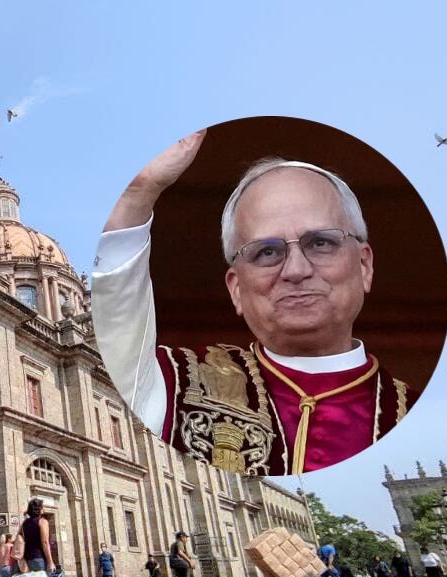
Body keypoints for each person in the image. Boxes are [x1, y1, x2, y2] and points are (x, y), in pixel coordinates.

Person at [92, 132, 416, 476]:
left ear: (364, 266)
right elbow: (118, 347)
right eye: (267, 252)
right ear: (235, 288)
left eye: (321, 242)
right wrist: (135, 196)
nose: (296, 270)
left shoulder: (408, 408)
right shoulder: (174, 385)